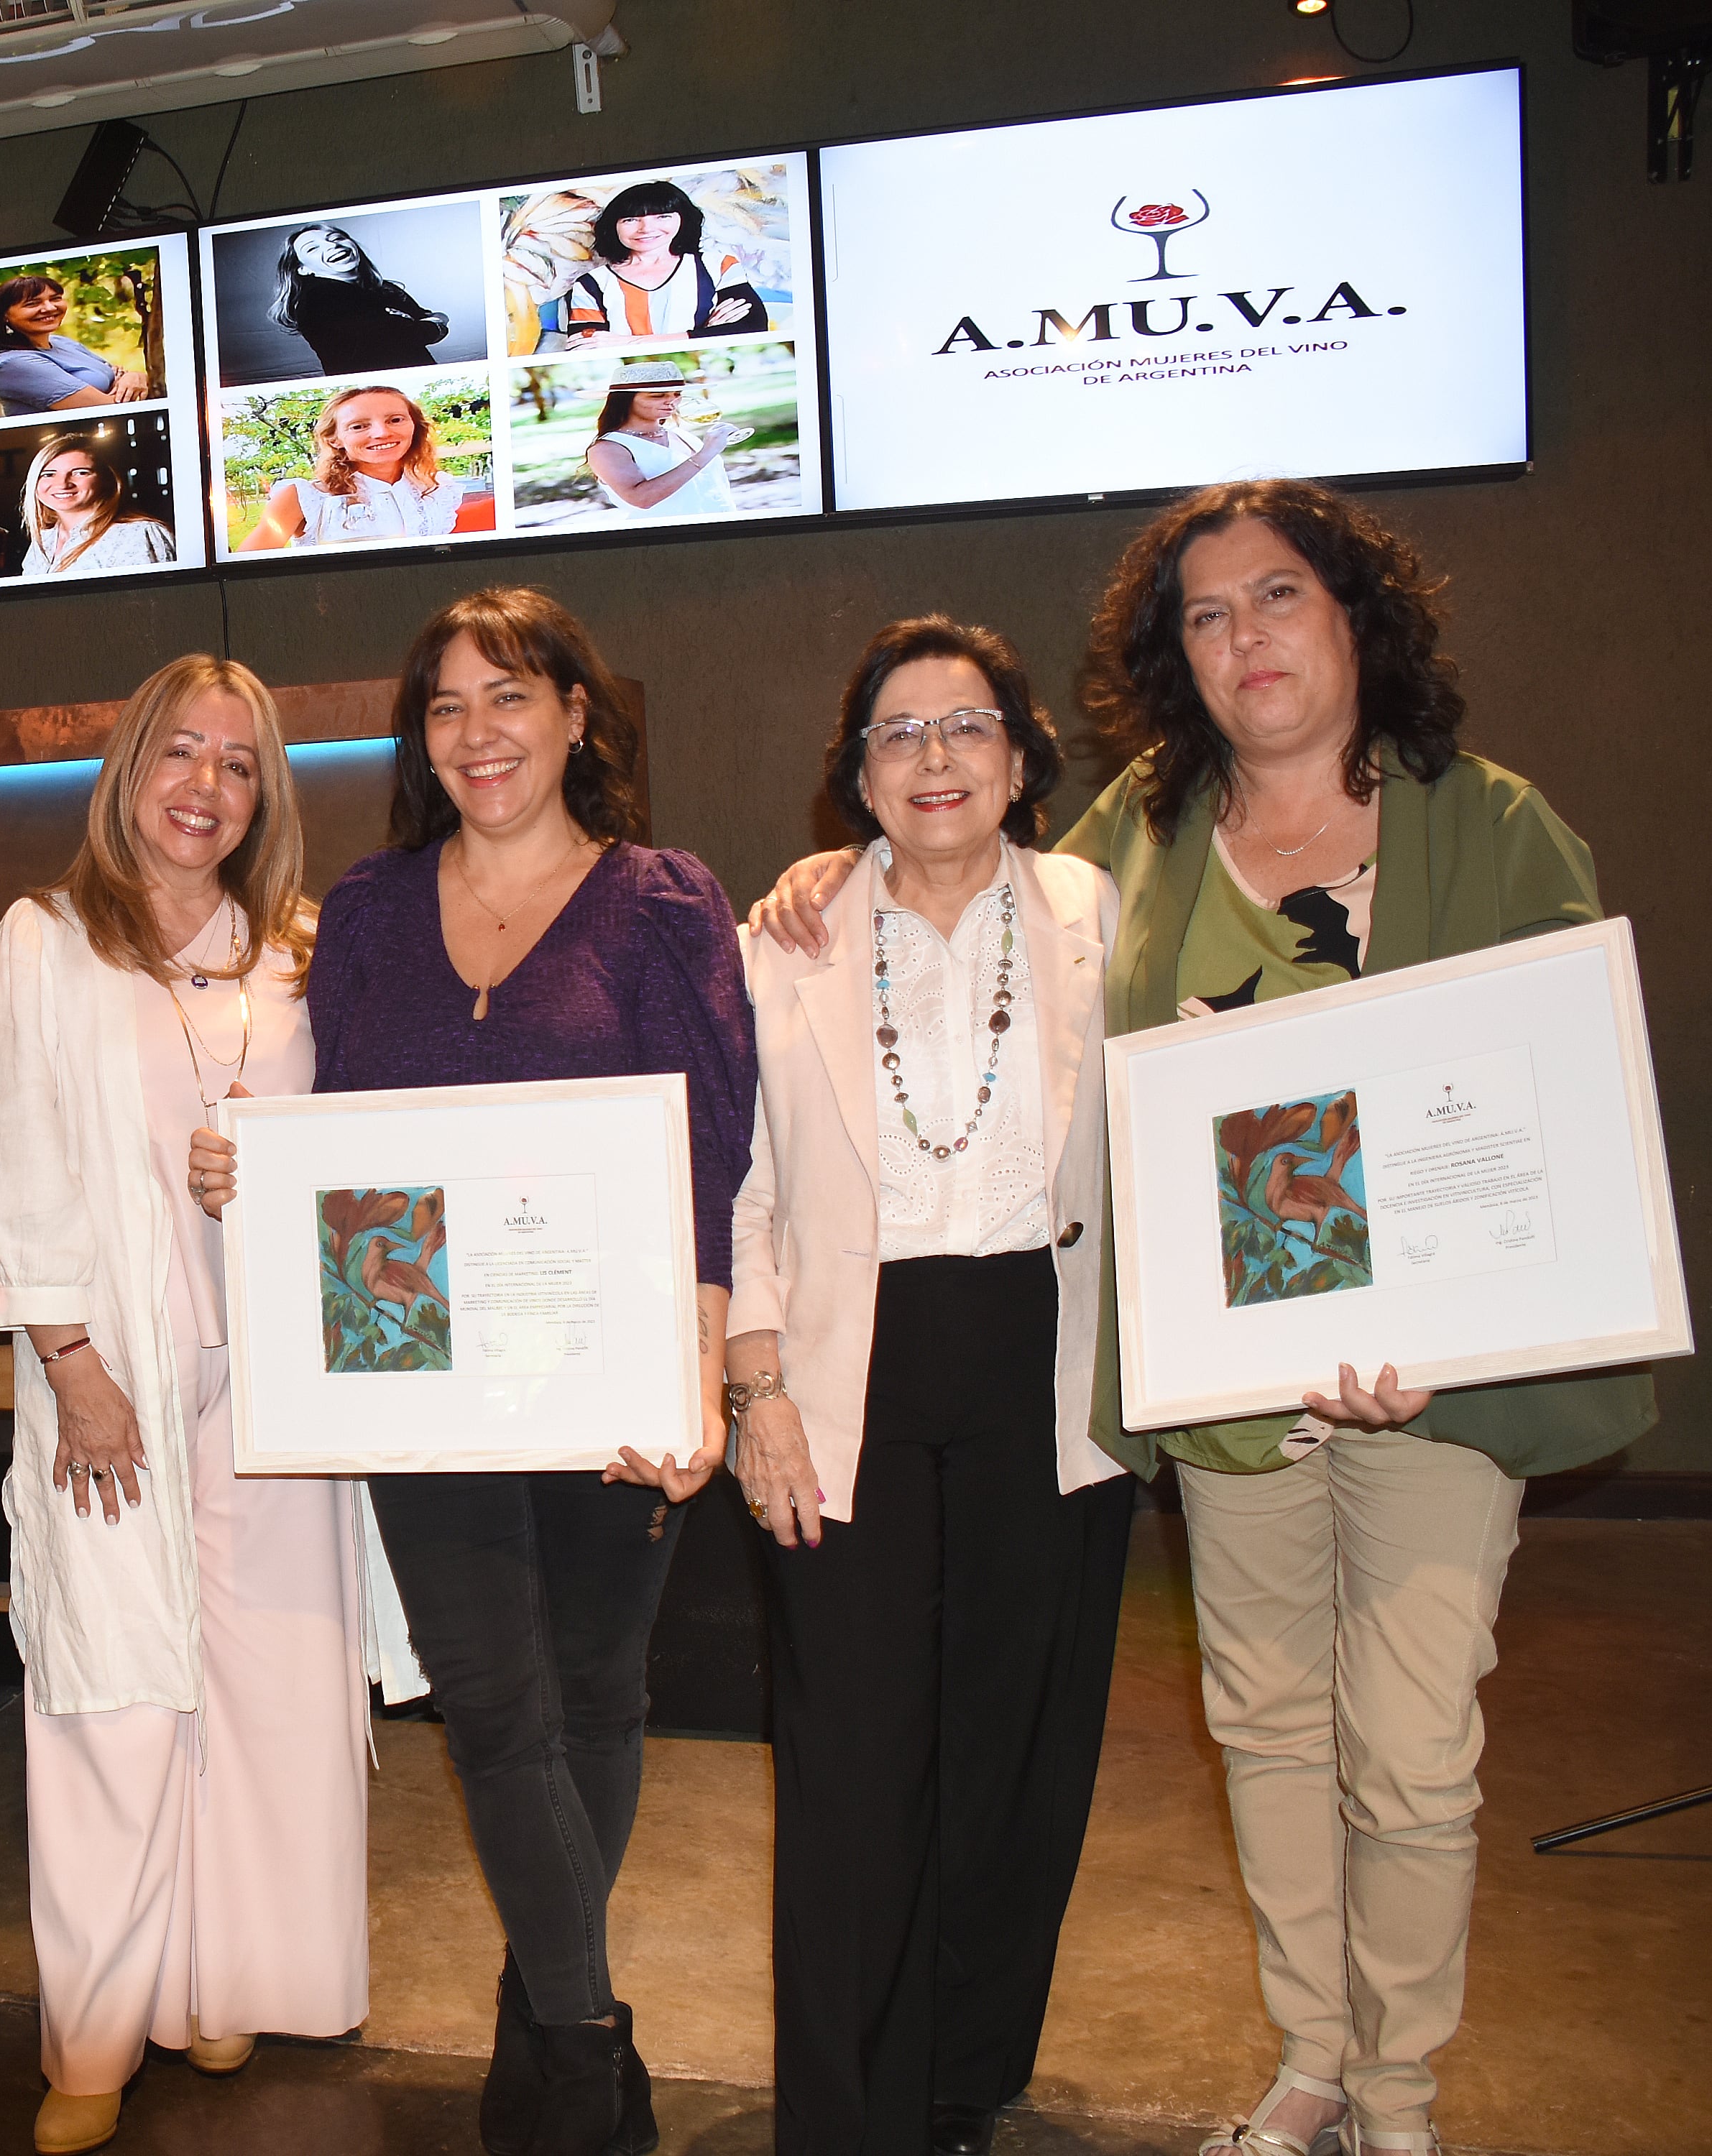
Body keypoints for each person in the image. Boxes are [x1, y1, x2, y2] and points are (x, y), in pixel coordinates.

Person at [747, 480, 1651, 2156]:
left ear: (1351, 615)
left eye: (1278, 596)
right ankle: (1311, 2060)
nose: (1246, 636)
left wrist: (1479, 1304)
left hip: (1432, 1382)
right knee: (1267, 1737)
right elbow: (958, 873)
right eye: (1207, 614)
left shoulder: (1489, 820)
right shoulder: (1150, 836)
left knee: (1412, 1749)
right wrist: (840, 871)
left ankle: (1395, 2096)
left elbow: (1566, 1084)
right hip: (1236, 1394)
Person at [201, 588, 755, 2155]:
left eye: (509, 697)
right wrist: (250, 1163)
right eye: (445, 707)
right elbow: (318, 1126)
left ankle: (540, 2023)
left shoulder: (664, 901)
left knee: (597, 1701)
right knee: (501, 1711)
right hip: (412, 1369)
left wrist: (701, 1373)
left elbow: (710, 1150)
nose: (478, 733)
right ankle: (585, 2055)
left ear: (579, 715)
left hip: (614, 1375)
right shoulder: (368, 912)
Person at [725, 619, 1131, 2156]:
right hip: (847, 1373)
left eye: (968, 726)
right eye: (898, 733)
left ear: (1023, 760)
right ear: (855, 777)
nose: (936, 757)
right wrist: (755, 1387)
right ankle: (847, 2112)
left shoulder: (1101, 911)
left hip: (1050, 1357)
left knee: (1016, 1749)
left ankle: (966, 2073)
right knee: (849, 1759)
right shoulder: (787, 940)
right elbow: (739, 1186)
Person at [0, 658, 369, 2155]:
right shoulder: (46, 941)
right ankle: (91, 2039)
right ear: (128, 768)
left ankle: (222, 1983)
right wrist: (71, 1369)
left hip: (276, 1385)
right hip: (115, 1377)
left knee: (263, 1694)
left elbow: (368, 1147)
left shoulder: (304, 949)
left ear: (266, 793)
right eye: (179, 753)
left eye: (239, 762)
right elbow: (3, 1160)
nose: (206, 785)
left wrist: (276, 1150)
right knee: (116, 1702)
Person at [533, 180, 768, 349]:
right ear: (614, 227)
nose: (647, 229)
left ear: (683, 220)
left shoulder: (718, 265)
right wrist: (703, 333)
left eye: (663, 216)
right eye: (631, 220)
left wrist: (627, 342)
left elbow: (752, 328)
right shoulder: (592, 283)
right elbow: (585, 348)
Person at [236, 386, 462, 551]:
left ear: (415, 426)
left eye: (395, 420)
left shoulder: (438, 488)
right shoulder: (302, 497)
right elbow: (245, 568)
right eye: (359, 426)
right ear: (335, 439)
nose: (382, 433)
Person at [267, 224, 450, 373]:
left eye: (337, 238)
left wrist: (427, 323)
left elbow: (421, 319)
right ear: (303, 269)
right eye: (313, 248)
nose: (333, 246)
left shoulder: (385, 289)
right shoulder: (319, 299)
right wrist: (434, 323)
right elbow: (404, 335)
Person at [582, 362, 751, 519]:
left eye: (677, 394)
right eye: (658, 395)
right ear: (625, 400)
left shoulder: (679, 434)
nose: (671, 401)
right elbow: (642, 499)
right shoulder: (607, 449)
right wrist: (707, 453)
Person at [0, 276, 152, 415]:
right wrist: (124, 386)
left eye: (55, 299)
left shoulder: (61, 342)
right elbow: (105, 410)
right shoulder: (9, 364)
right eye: (32, 304)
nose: (49, 308)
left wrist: (135, 377)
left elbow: (122, 375)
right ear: (5, 316)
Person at [19, 438, 178, 577]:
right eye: (48, 474)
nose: (62, 484)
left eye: (80, 473)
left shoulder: (137, 534)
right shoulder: (43, 540)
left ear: (108, 479)